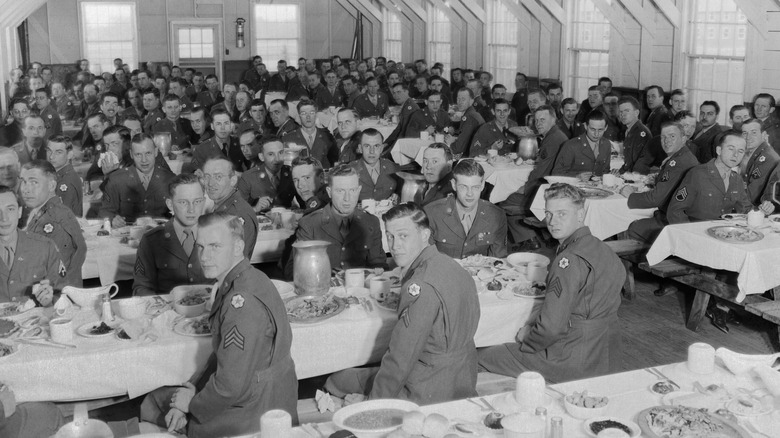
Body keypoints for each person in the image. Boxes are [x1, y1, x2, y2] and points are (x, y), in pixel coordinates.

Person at [140, 212, 298, 437]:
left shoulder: (240, 304)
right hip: (269, 396)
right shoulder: (250, 278)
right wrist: (192, 389)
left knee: (153, 406)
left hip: (255, 413)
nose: (204, 257)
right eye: (201, 247)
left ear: (237, 247)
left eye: (215, 246)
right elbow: (223, 355)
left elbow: (229, 386)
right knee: (162, 401)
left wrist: (192, 404)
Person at [325, 202, 479, 404]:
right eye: (390, 236)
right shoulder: (453, 266)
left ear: (424, 235)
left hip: (427, 387)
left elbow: (400, 359)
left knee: (336, 380)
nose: (395, 245)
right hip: (464, 377)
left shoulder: (419, 286)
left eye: (403, 236)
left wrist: (373, 403)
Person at [478, 183, 625, 383]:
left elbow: (551, 329)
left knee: (482, 356)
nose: (552, 222)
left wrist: (527, 338)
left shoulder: (568, 261)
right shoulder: (604, 250)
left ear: (580, 214)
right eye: (548, 214)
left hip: (572, 360)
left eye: (562, 214)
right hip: (608, 355)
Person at [292, 164, 386, 274]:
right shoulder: (309, 224)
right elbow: (301, 270)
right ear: (329, 192)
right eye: (340, 191)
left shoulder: (371, 222)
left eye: (352, 190)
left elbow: (379, 268)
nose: (347, 198)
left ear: (359, 190)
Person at [502, 105, 568, 249]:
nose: (538, 124)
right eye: (537, 120)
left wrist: (524, 188)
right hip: (553, 187)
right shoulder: (556, 135)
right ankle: (537, 236)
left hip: (544, 190)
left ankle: (529, 239)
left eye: (543, 120)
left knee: (503, 200)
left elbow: (540, 173)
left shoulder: (552, 140)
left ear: (553, 119)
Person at [622, 121, 700, 243]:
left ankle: (649, 261)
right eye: (663, 137)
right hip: (678, 216)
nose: (667, 140)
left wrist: (630, 196)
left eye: (672, 136)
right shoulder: (682, 156)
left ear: (683, 139)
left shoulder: (677, 162)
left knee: (630, 226)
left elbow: (655, 199)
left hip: (673, 221)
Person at [133, 174, 210, 296]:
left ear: (204, 202)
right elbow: (141, 289)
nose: (191, 209)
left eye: (197, 201)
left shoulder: (218, 235)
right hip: (168, 312)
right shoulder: (152, 241)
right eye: (183, 202)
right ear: (170, 204)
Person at [19, 160, 86, 287]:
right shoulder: (45, 212)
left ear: (51, 186)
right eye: (24, 182)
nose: (26, 190)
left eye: (34, 182)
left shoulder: (53, 222)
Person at [667, 131, 755, 224]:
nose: (735, 155)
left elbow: (746, 210)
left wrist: (763, 210)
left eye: (740, 151)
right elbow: (675, 211)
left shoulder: (737, 179)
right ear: (719, 150)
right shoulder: (697, 174)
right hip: (696, 231)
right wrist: (688, 234)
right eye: (731, 149)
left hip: (724, 232)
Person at [425, 159, 507, 259]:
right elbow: (425, 260)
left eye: (475, 187)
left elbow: (498, 260)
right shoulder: (432, 213)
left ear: (482, 185)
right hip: (444, 272)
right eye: (464, 187)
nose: (470, 193)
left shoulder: (496, 215)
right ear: (454, 185)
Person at [0, 185, 65, 305]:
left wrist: (49, 301)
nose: (4, 218)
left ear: (19, 212)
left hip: (36, 322)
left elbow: (63, 294)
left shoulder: (45, 247)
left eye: (10, 209)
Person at [100, 134, 176, 227]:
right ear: (131, 154)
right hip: (126, 236)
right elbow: (105, 211)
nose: (144, 160)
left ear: (156, 152)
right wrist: (112, 218)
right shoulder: (116, 179)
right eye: (138, 154)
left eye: (148, 153)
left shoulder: (170, 179)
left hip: (160, 235)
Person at [201, 157, 258, 258]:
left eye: (218, 177)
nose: (210, 183)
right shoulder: (222, 207)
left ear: (233, 180)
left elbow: (234, 262)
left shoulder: (237, 214)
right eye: (207, 177)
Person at [237, 136, 296, 211]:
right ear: (261, 157)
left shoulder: (292, 173)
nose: (277, 159)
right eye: (271, 154)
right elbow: (237, 211)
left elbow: (305, 205)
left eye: (280, 153)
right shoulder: (248, 177)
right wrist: (255, 208)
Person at [552, 110, 612, 177]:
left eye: (600, 130)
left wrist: (612, 174)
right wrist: (577, 176)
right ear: (585, 126)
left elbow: (605, 171)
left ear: (606, 128)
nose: (596, 134)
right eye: (592, 129)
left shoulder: (606, 145)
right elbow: (556, 173)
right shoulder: (571, 146)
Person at [281, 100, 338, 168]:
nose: (308, 117)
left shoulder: (327, 137)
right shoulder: (288, 139)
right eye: (304, 113)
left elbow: (335, 163)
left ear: (316, 114)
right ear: (299, 115)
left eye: (311, 112)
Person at [738, 118, 780, 206]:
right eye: (745, 133)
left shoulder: (767, 158)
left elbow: (752, 196)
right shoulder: (754, 153)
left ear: (763, 134)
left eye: (754, 133)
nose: (748, 137)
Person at [349, 129, 399, 202]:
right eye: (367, 146)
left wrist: (397, 196)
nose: (372, 151)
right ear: (360, 148)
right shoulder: (350, 170)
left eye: (376, 146)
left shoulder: (392, 167)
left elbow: (399, 192)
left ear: (381, 148)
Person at [46, 136, 83, 217]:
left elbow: (60, 217)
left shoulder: (65, 182)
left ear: (69, 155)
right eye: (49, 151)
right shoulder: (63, 176)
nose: (51, 157)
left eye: (58, 152)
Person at [617, 96, 654, 174]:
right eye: (620, 111)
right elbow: (629, 161)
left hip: (637, 176)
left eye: (627, 111)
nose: (623, 114)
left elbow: (641, 162)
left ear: (636, 113)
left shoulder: (641, 132)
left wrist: (627, 176)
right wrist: (620, 172)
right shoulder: (630, 130)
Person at [448, 88, 485, 157]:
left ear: (471, 101)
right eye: (458, 99)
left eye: (463, 99)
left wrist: (449, 144)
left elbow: (458, 148)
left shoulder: (470, 117)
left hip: (472, 155)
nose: (460, 102)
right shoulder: (471, 113)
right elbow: (467, 137)